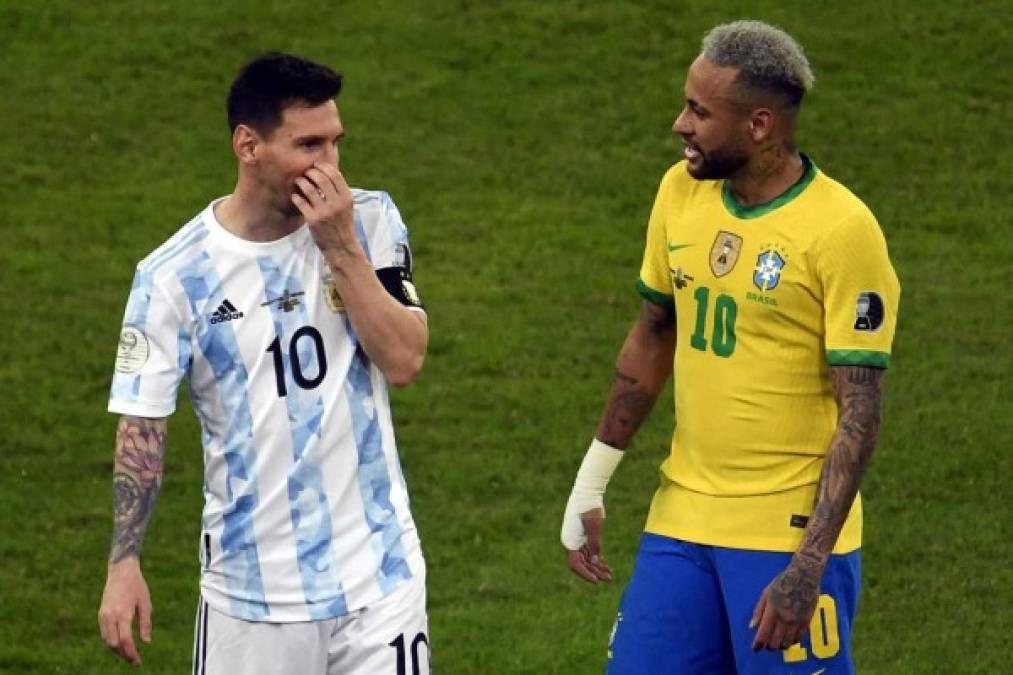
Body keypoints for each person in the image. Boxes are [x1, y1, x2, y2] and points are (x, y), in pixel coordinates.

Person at [561, 20, 900, 674]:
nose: (677, 124)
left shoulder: (840, 231)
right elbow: (653, 333)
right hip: (680, 518)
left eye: (698, 110)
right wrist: (590, 481)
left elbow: (859, 411)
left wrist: (808, 568)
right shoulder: (679, 191)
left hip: (785, 534)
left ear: (760, 125)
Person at [97, 52, 431, 675]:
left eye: (335, 143)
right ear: (248, 146)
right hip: (252, 599)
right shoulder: (173, 277)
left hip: (381, 580)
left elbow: (406, 359)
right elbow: (141, 428)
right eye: (308, 145)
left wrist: (341, 248)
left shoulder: (371, 220)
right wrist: (124, 562)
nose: (329, 166)